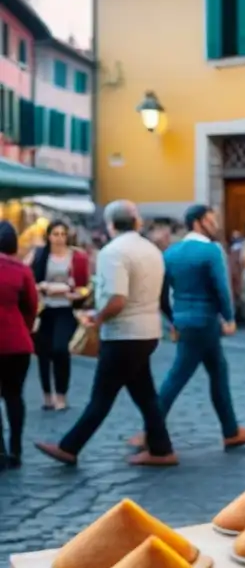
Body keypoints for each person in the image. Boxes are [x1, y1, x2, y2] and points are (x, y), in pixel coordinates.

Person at [36, 200, 178, 467]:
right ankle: (161, 448)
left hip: (123, 333)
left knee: (102, 397)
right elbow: (161, 296)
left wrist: (97, 318)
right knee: (144, 395)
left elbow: (117, 299)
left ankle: (70, 446)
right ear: (135, 223)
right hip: (147, 332)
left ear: (110, 224)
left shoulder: (112, 252)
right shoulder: (153, 250)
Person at [128, 205, 245, 452]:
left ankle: (231, 430)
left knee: (218, 372)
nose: (216, 224)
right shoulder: (211, 251)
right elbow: (221, 287)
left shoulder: (171, 252)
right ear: (199, 222)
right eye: (212, 220)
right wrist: (229, 317)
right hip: (205, 321)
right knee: (178, 376)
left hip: (186, 320)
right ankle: (151, 431)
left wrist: (173, 319)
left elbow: (161, 293)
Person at [29, 220, 90, 411]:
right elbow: (29, 280)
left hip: (66, 308)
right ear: (48, 236)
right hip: (43, 309)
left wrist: (73, 292)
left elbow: (84, 286)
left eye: (63, 234)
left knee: (60, 349)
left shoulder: (77, 256)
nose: (60, 238)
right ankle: (48, 395)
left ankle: (61, 395)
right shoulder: (39, 255)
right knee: (43, 352)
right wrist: (44, 287)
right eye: (56, 234)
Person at [0, 221, 38, 470]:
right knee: (14, 396)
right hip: (17, 342)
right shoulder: (22, 270)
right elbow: (31, 306)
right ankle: (16, 448)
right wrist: (22, 327)